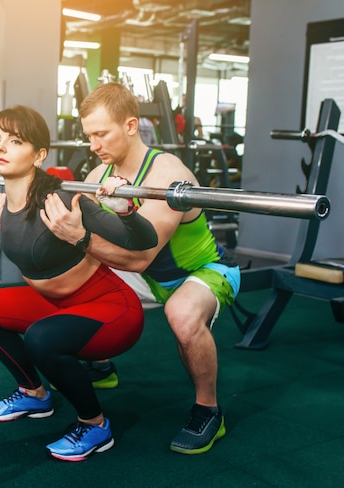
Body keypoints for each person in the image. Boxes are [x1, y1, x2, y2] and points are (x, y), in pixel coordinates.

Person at [37, 82, 241, 455]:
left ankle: (208, 411)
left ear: (131, 126)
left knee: (180, 313)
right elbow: (72, 230)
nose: (94, 145)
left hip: (202, 272)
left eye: (101, 134)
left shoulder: (166, 174)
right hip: (147, 279)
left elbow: (139, 257)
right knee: (75, 279)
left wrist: (79, 237)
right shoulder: (100, 175)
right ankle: (100, 364)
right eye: (89, 136)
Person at [0, 105, 158, 461]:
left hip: (112, 311)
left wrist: (126, 209)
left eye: (15, 141)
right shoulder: (5, 200)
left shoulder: (64, 199)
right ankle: (34, 393)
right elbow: (24, 230)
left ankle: (95, 425)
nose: (1, 148)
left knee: (42, 337)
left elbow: (142, 242)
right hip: (58, 306)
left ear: (39, 154)